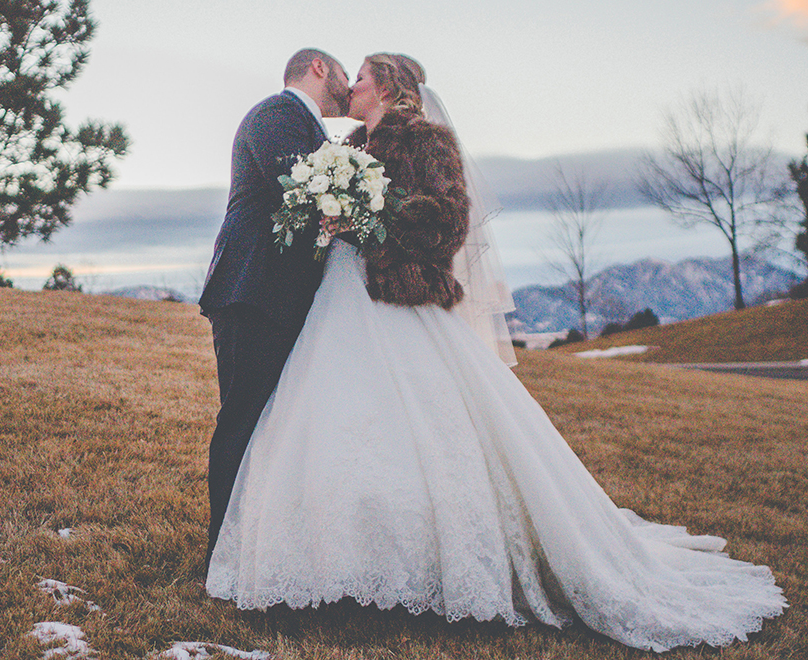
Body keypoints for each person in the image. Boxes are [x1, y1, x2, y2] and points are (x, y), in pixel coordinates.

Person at [205, 53, 786, 653]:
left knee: (424, 434)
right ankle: (335, 561)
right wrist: (345, 210)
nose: (351, 84)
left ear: (386, 85)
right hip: (340, 302)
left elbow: (448, 223)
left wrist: (374, 210)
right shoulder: (348, 145)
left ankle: (436, 562)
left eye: (362, 74)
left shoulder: (427, 142)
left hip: (400, 304)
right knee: (332, 427)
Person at [198, 49, 350, 562]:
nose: (349, 90)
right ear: (320, 68)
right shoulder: (277, 115)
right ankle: (223, 551)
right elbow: (301, 191)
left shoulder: (307, 127)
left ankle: (262, 543)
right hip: (253, 293)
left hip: (281, 297)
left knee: (275, 423)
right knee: (243, 418)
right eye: (345, 76)